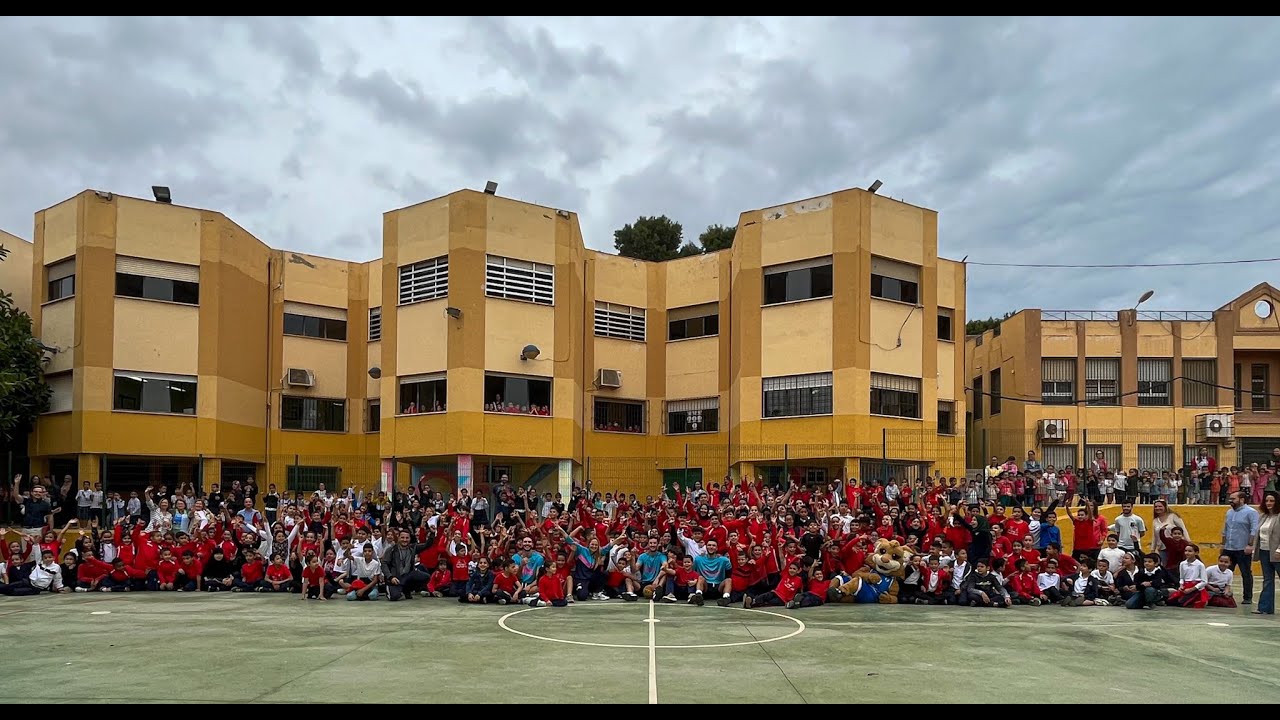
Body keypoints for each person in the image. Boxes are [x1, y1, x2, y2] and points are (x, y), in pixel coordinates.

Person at [1221, 491, 1259, 605]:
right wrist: (1223, 545)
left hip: (1242, 548)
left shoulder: (1251, 512)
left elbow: (1254, 529)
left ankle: (1247, 597)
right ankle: (1222, 595)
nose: (1230, 500)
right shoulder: (1229, 512)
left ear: (1241, 499)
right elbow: (1225, 529)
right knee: (1224, 572)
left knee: (1245, 573)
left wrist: (1250, 545)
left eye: (1233, 499)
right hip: (1229, 547)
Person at [1253, 492, 1280, 616]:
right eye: (1267, 501)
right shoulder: (1263, 516)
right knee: (1268, 580)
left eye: (1272, 501)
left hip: (1277, 553)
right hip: (1264, 552)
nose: (1268, 503)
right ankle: (1265, 608)